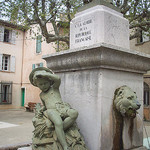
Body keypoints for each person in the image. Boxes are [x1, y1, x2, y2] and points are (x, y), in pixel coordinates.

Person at [29, 67, 78, 150]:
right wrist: (41, 109)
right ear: (37, 85)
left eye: (45, 83)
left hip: (61, 107)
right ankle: (65, 146)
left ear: (50, 82)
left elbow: (58, 79)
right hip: (50, 111)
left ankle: (58, 131)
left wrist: (45, 74)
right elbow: (45, 105)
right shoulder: (42, 95)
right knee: (58, 122)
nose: (43, 86)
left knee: (74, 113)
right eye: (40, 84)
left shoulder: (55, 88)